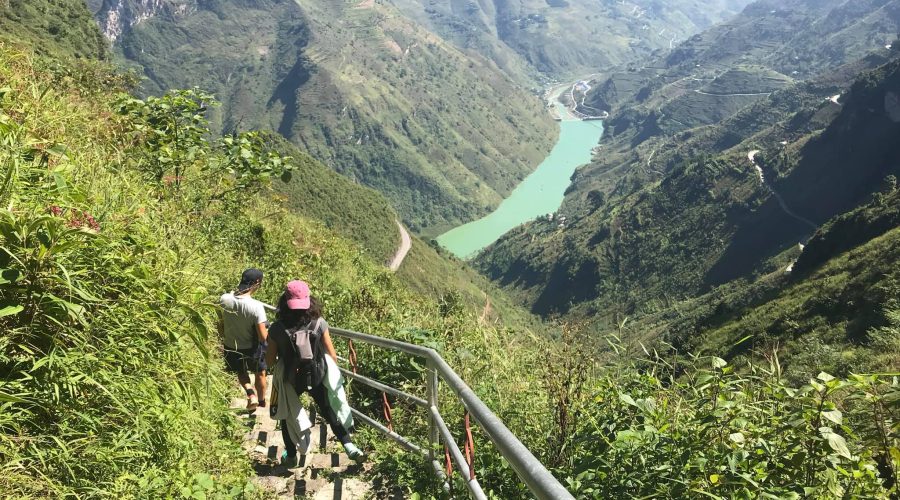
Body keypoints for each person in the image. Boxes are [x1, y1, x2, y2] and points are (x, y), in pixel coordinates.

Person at [265, 280, 363, 466]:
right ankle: (349, 446)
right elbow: (332, 355)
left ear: (285, 301)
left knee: (288, 415)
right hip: (316, 374)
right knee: (328, 409)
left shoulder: (277, 329)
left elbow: (269, 361)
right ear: (309, 300)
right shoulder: (319, 323)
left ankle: (292, 456)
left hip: (290, 379)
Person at [218, 268, 269, 410]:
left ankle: (250, 393)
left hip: (231, 344)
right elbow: (262, 337)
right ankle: (261, 401)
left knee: (241, 372)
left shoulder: (224, 299)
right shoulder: (256, 307)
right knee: (260, 373)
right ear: (257, 283)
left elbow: (220, 323)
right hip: (252, 347)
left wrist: (224, 338)